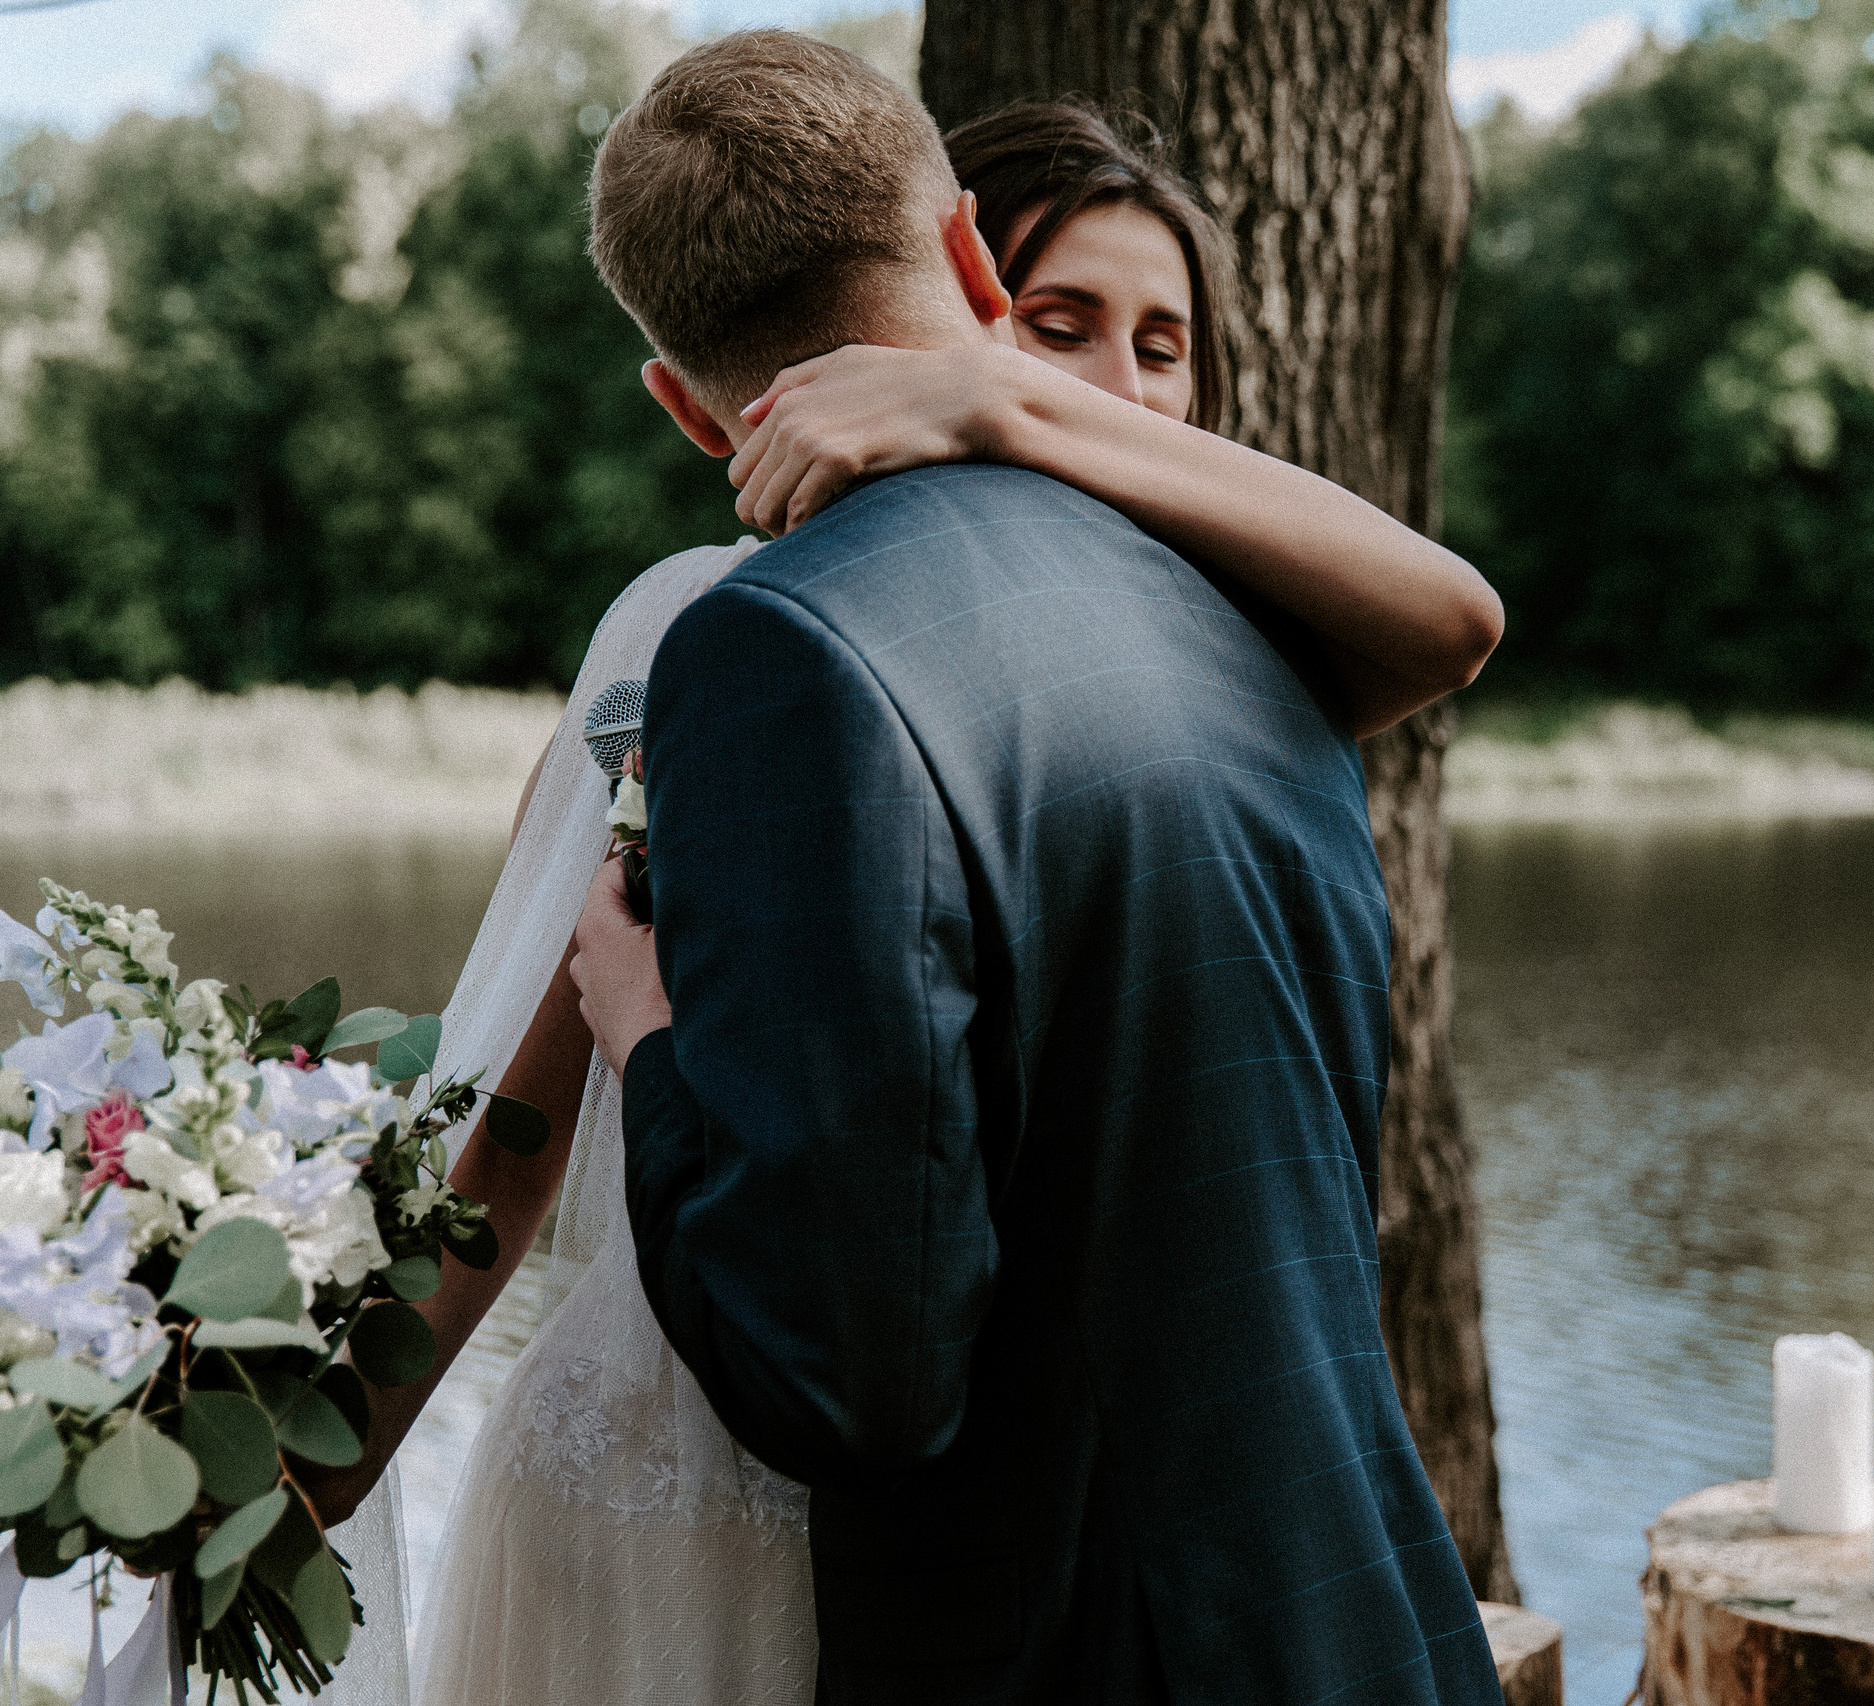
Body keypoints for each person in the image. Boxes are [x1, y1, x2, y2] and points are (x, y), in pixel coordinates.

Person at [303, 36, 1501, 1706]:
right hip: (1327, 1591)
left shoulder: (782, 655)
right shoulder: (1252, 623)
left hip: (1041, 1621)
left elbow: (848, 1372)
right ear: (970, 258)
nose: (1114, 387)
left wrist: (652, 1033)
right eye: (1063, 329)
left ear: (674, 392)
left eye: (1162, 346)